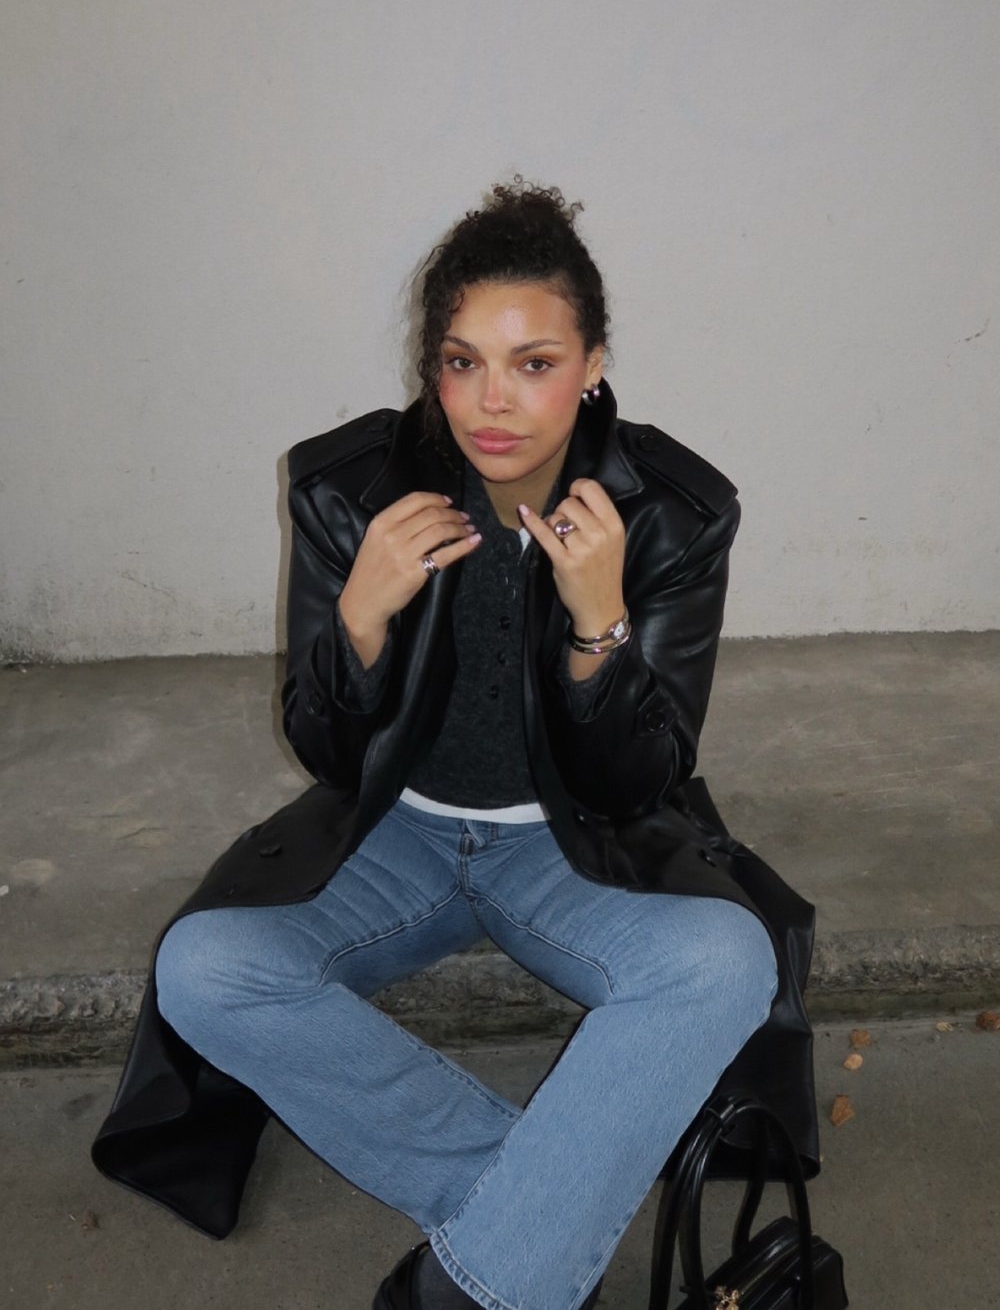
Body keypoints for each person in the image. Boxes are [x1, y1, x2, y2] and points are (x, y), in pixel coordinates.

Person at [91, 182, 817, 1310]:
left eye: (534, 363)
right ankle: (540, 1203)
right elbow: (329, 752)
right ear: (427, 366)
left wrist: (597, 622)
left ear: (592, 363)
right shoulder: (348, 489)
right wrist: (362, 618)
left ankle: (471, 1280)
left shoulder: (673, 510)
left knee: (728, 963)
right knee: (203, 968)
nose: (494, 400)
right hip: (398, 838)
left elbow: (643, 778)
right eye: (461, 360)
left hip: (568, 851)